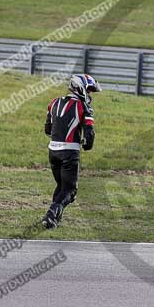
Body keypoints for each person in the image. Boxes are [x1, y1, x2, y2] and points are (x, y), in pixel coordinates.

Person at [41, 74, 102, 229]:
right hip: (70, 153)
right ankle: (51, 214)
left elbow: (48, 129)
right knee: (70, 190)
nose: (90, 95)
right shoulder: (84, 107)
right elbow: (90, 136)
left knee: (61, 186)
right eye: (89, 91)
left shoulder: (53, 102)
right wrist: (86, 144)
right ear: (80, 88)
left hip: (52, 151)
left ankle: (53, 220)